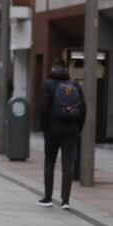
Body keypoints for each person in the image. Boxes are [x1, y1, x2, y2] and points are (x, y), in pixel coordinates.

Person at [38, 59, 87, 209]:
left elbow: (43, 109)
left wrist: (44, 128)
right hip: (71, 130)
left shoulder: (48, 84)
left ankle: (48, 197)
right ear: (66, 69)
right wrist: (78, 129)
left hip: (53, 129)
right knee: (67, 164)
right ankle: (65, 200)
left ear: (53, 68)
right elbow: (83, 109)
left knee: (50, 162)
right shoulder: (75, 84)